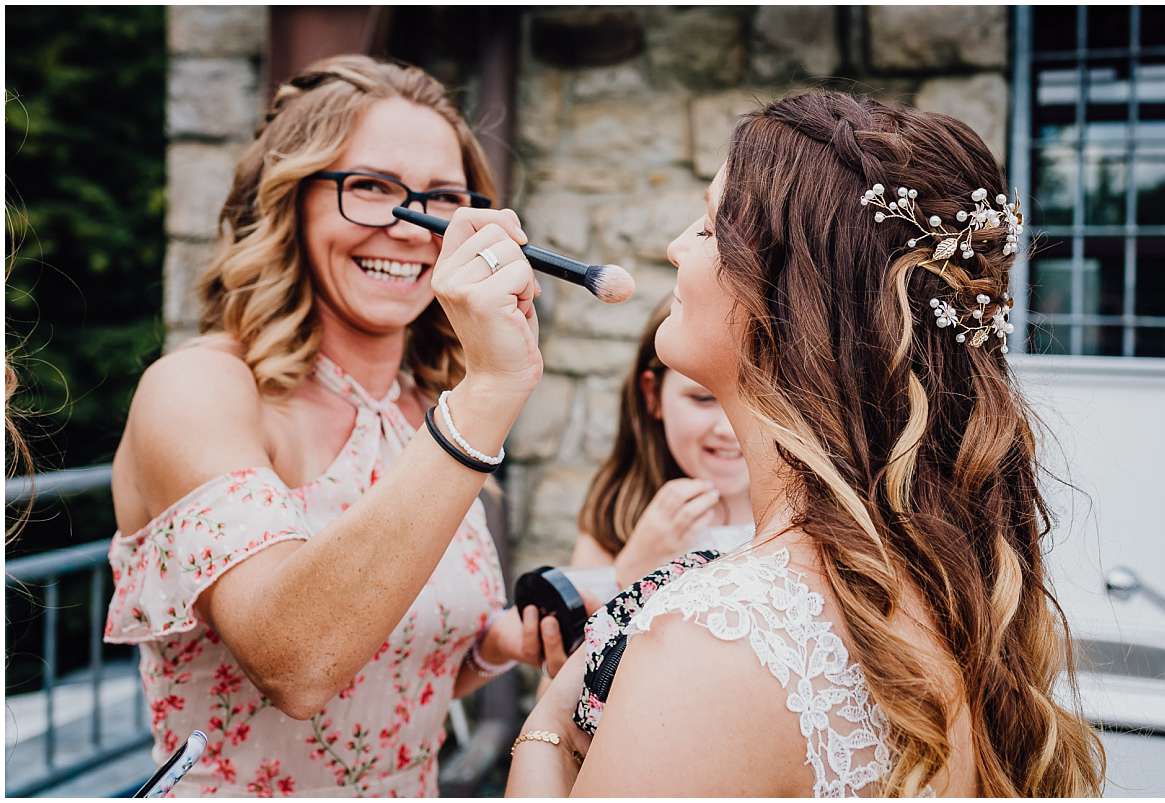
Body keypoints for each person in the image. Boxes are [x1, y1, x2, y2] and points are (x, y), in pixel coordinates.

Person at [507, 91, 1105, 796]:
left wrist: (544, 729)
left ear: (783, 295)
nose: (674, 246)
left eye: (706, 227)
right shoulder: (943, 590)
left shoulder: (712, 639)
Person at [103, 55, 556, 796]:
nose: (410, 227)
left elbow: (390, 683)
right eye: (370, 187)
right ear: (289, 201)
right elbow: (298, 661)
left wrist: (499, 645)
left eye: (440, 198)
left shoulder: (423, 408)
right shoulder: (203, 391)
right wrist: (490, 393)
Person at [571, 296, 753, 593]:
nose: (728, 429)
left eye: (751, 400)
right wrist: (632, 570)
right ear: (653, 395)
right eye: (703, 399)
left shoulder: (815, 516)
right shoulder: (617, 515)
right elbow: (579, 638)